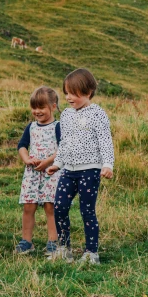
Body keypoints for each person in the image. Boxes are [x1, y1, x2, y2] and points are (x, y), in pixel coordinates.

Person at [47, 68, 114, 265]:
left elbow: (105, 141)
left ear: (88, 92)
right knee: (59, 207)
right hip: (68, 170)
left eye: (74, 93)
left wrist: (108, 164)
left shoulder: (97, 113)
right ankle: (63, 248)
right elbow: (64, 143)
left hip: (90, 170)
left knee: (87, 210)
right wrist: (57, 164)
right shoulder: (66, 115)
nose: (69, 97)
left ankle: (91, 253)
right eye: (66, 92)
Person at [15, 86, 61, 256]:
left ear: (53, 107)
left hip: (51, 172)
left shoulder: (58, 126)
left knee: (50, 207)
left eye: (41, 107)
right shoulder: (31, 127)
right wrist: (27, 159)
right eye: (34, 108)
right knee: (29, 207)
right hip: (32, 174)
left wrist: (48, 162)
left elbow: (62, 149)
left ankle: (53, 242)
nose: (37, 111)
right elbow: (22, 146)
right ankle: (26, 241)